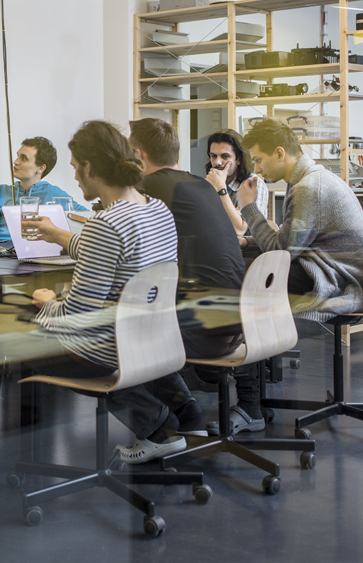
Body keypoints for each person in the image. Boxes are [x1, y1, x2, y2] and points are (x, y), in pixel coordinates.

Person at [0, 120, 180, 479]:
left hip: (97, 351)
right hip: (150, 338)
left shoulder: (105, 225)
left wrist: (47, 301)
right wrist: (59, 235)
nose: (76, 178)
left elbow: (75, 316)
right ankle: (160, 426)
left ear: (89, 167)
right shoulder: (156, 209)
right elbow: (113, 253)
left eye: (75, 168)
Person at [128, 118, 263, 437]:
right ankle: (182, 404)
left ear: (138, 154)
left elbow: (124, 243)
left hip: (207, 331)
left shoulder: (149, 187)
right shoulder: (203, 186)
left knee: (122, 332)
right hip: (243, 323)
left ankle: (162, 426)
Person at [238, 118, 363, 322]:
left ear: (279, 153)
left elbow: (280, 251)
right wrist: (246, 242)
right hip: (333, 273)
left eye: (258, 160)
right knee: (244, 263)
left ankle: (254, 340)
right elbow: (289, 239)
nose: (256, 169)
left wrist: (249, 207)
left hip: (337, 284)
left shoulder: (308, 187)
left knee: (238, 270)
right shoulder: (307, 179)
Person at [204, 129, 269, 236]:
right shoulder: (210, 182)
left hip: (246, 246)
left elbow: (239, 230)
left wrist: (221, 188)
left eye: (225, 156)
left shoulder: (254, 184)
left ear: (239, 159)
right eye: (213, 156)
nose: (217, 162)